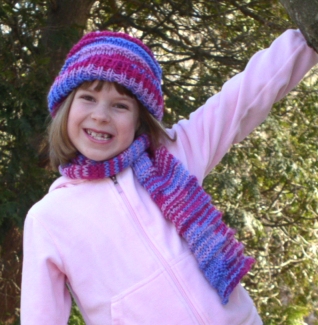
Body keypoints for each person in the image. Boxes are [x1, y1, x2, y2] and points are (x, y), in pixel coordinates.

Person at [20, 29, 317, 325]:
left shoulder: (172, 156)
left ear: (139, 119)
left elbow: (242, 99)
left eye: (120, 105)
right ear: (64, 107)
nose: (101, 115)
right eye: (88, 98)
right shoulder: (48, 218)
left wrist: (306, 39)